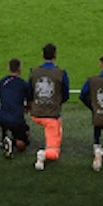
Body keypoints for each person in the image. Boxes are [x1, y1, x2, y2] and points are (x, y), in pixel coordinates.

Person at [29, 42, 69, 170]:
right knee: (54, 152)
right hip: (51, 116)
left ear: (42, 55)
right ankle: (43, 155)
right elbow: (66, 94)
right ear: (55, 55)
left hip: (35, 114)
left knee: (57, 125)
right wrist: (55, 103)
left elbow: (29, 92)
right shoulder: (61, 73)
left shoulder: (33, 72)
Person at [0, 57, 33, 158]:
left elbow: (3, 98)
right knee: (24, 144)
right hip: (15, 119)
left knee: (4, 110)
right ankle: (10, 142)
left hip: (0, 117)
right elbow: (30, 103)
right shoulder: (23, 84)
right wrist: (25, 108)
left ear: (8, 68)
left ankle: (4, 137)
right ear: (20, 69)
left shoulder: (2, 82)